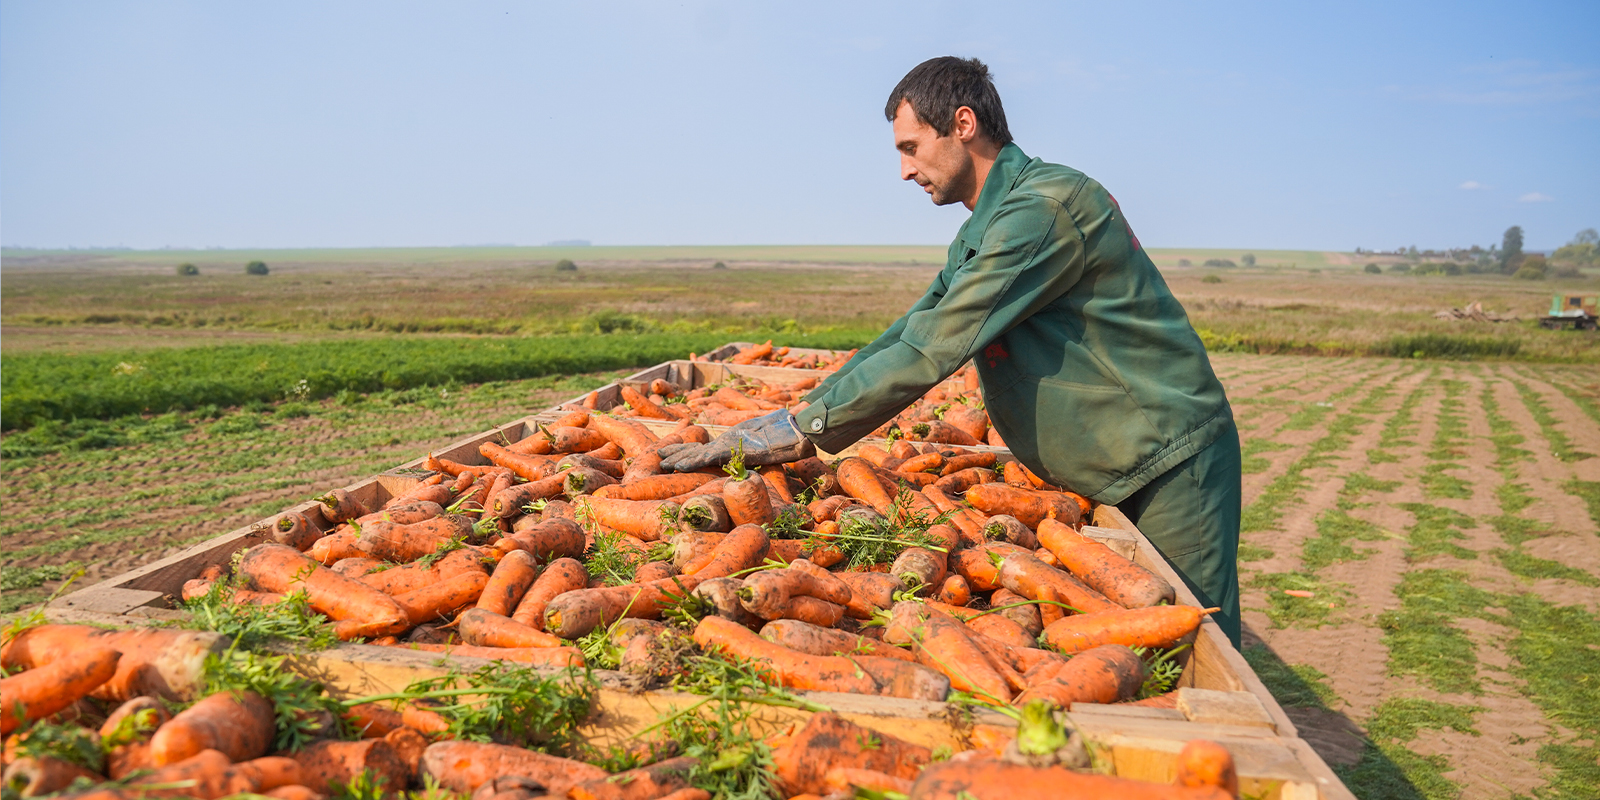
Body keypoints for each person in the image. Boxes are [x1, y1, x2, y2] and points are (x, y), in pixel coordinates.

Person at [662, 56, 1242, 647]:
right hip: (1123, 455)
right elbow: (912, 330)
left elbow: (937, 347)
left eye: (911, 147)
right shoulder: (990, 222)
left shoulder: (1040, 210)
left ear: (963, 123)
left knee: (1190, 639)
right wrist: (792, 420)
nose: (905, 171)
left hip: (1168, 456)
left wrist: (803, 429)